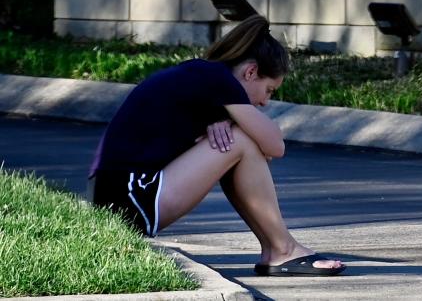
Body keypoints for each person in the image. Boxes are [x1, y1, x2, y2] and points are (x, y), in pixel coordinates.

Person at [88, 14, 345, 277]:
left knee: (238, 139)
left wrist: (225, 121)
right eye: (269, 90)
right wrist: (236, 124)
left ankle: (276, 249)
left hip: (118, 196)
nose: (266, 102)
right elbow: (275, 145)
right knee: (242, 140)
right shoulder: (219, 80)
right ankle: (283, 248)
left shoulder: (203, 77)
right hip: (130, 197)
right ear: (251, 72)